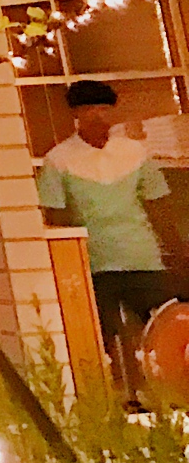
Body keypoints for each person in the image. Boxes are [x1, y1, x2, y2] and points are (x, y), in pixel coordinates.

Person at [36, 79, 185, 390]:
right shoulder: (59, 159)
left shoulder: (135, 152)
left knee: (164, 331)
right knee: (104, 338)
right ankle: (119, 395)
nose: (97, 116)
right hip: (93, 262)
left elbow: (158, 204)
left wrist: (178, 252)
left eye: (103, 109)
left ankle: (167, 393)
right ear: (75, 114)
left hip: (142, 256)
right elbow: (55, 218)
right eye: (88, 109)